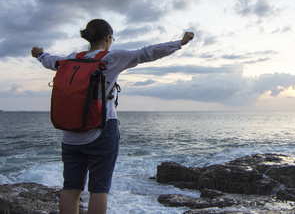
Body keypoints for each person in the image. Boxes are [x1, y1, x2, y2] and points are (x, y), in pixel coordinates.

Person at [31, 19, 194, 214]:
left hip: (70, 134)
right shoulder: (112, 58)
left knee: (71, 188)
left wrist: (39, 54)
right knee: (99, 190)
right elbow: (146, 53)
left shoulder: (70, 59)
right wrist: (179, 43)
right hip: (101, 130)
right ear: (108, 38)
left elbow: (49, 60)